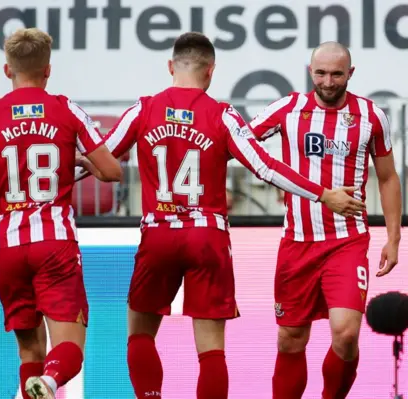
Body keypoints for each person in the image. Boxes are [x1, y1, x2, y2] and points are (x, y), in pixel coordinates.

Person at [78, 32, 365, 399]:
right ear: (210, 71)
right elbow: (265, 166)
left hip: (159, 233)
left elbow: (101, 157)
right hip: (207, 237)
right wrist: (323, 194)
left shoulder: (143, 108)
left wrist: (40, 183)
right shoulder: (222, 114)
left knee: (139, 334)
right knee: (211, 349)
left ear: (171, 66)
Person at [0, 27, 121, 399]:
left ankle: (38, 383)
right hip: (53, 242)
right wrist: (77, 162)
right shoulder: (65, 108)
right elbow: (112, 171)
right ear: (48, 70)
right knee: (69, 351)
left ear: (6, 70)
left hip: (6, 244)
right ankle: (48, 382)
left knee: (29, 350)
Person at [245, 41, 402, 399]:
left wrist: (393, 239)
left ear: (351, 73)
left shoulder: (371, 116)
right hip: (297, 242)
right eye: (320, 73)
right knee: (290, 339)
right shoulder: (287, 108)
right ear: (309, 71)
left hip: (347, 242)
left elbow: (389, 178)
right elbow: (240, 141)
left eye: (336, 73)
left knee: (346, 335)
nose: (328, 81)